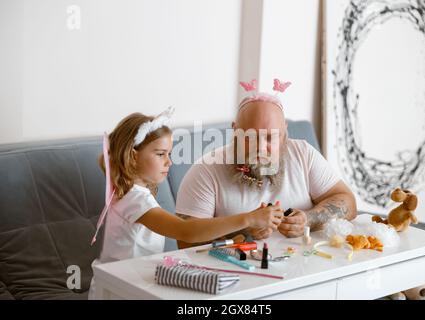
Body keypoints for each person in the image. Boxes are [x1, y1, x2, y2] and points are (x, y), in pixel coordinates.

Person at [88, 108, 283, 299]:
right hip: (120, 289)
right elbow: (185, 230)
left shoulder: (127, 192)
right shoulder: (136, 200)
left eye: (169, 154)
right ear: (133, 156)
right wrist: (248, 219)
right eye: (160, 154)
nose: (169, 162)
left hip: (123, 281)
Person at [176, 80, 357, 249]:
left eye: (270, 137)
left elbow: (348, 202)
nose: (261, 147)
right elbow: (184, 242)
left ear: (285, 132)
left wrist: (308, 219)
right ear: (235, 131)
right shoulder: (206, 170)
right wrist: (243, 228)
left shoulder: (303, 153)